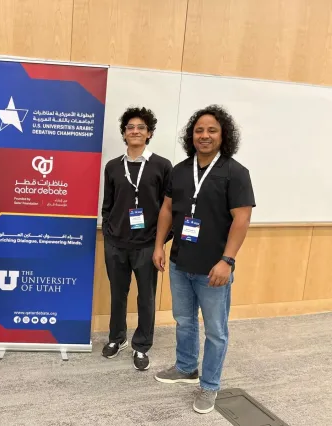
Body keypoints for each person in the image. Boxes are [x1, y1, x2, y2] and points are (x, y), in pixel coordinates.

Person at [152, 105, 255, 414]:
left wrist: (228, 260)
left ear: (223, 136)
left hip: (214, 268)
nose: (204, 135)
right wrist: (159, 246)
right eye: (199, 130)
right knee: (183, 320)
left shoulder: (235, 173)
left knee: (215, 330)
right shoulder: (181, 170)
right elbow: (168, 210)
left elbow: (242, 219)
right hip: (181, 263)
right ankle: (186, 368)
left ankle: (209, 386)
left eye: (212, 130)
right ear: (191, 135)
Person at [101, 107, 172, 370]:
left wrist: (160, 242)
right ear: (124, 133)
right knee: (117, 294)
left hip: (147, 246)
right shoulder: (112, 167)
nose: (135, 131)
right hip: (116, 244)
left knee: (146, 297)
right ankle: (116, 338)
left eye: (141, 127)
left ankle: (141, 345)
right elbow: (107, 206)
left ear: (149, 133)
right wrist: (109, 234)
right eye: (130, 127)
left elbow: (170, 207)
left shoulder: (162, 166)